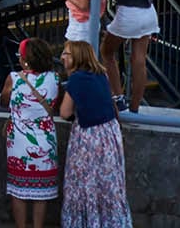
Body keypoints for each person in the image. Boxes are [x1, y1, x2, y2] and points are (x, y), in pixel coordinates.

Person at [58, 40, 129, 228]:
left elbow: (64, 112)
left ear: (77, 58)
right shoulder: (101, 75)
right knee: (108, 186)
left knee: (84, 184)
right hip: (110, 134)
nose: (62, 57)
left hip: (89, 138)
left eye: (66, 54)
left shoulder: (76, 80)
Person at [1, 39, 59, 228]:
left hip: (19, 142)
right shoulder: (54, 78)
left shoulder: (14, 78)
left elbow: (4, 101)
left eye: (20, 55)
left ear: (26, 60)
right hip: (46, 142)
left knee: (19, 192)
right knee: (40, 193)